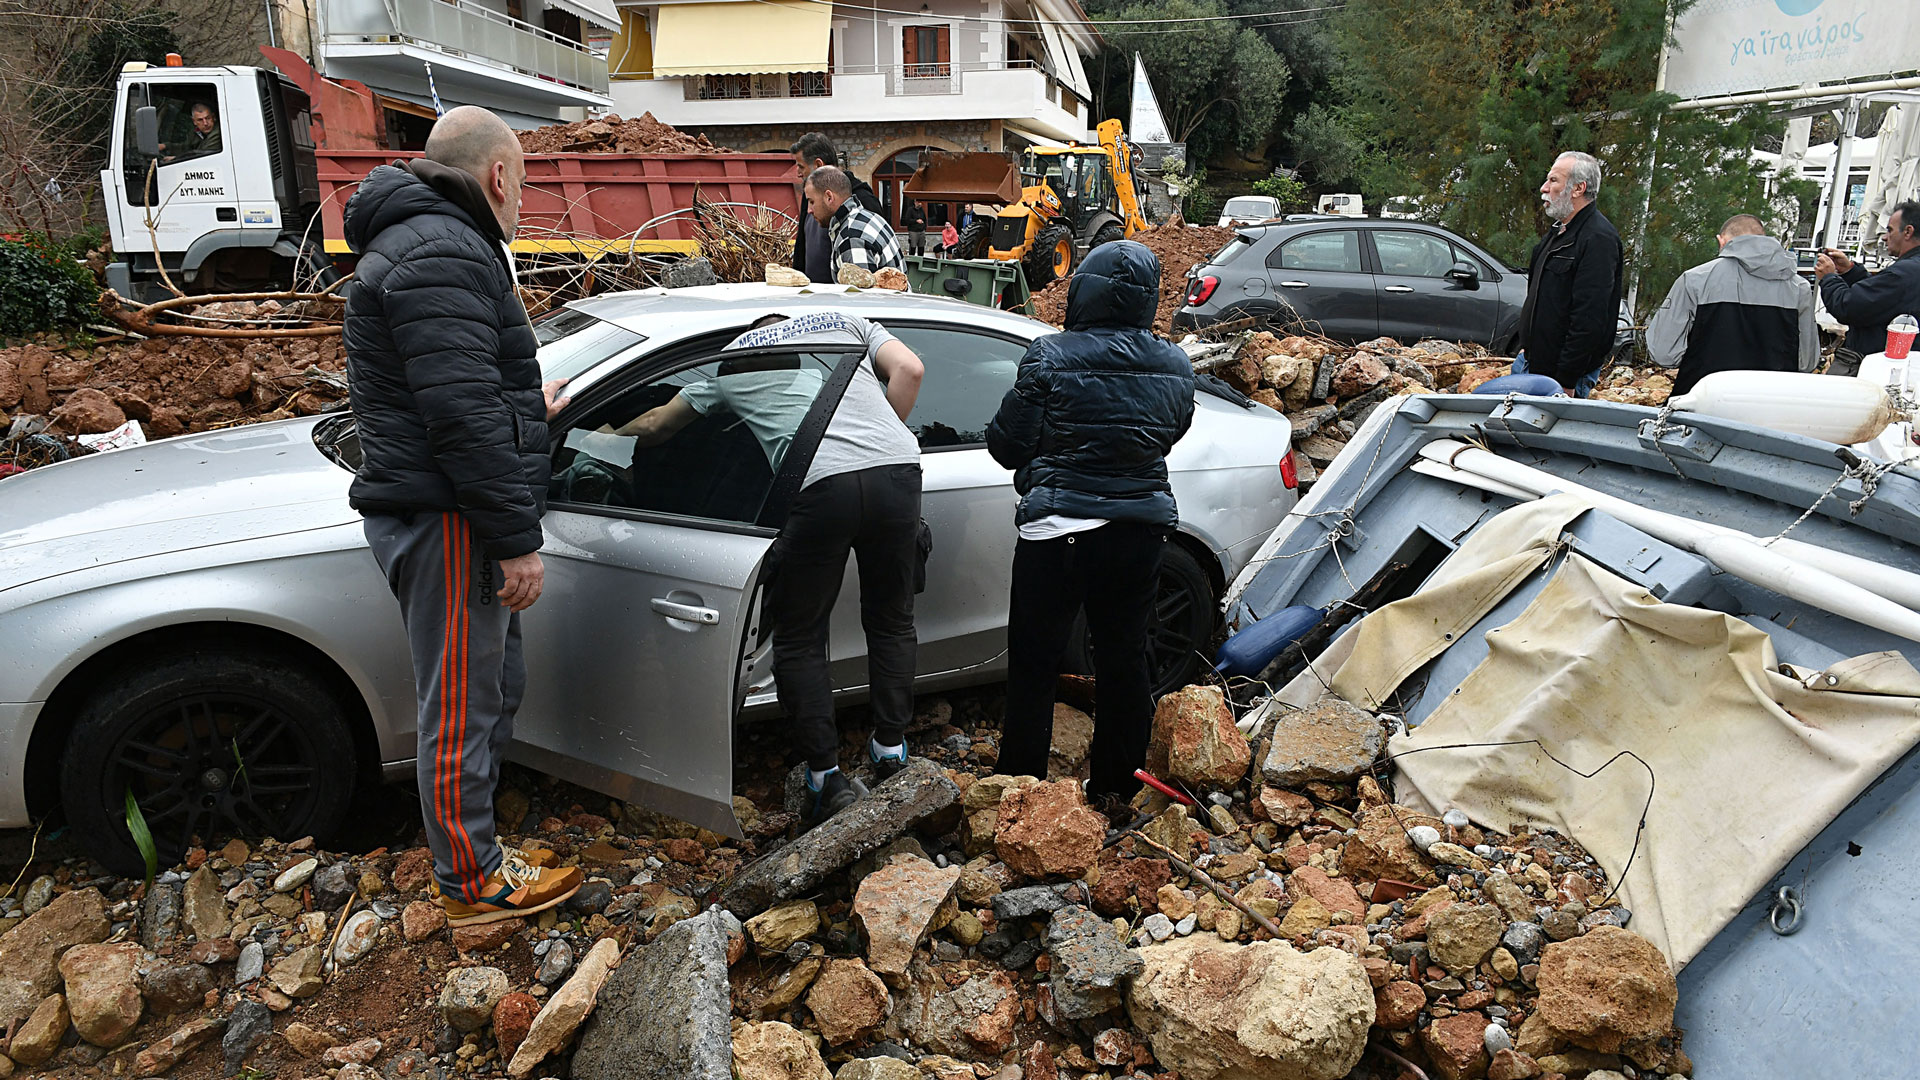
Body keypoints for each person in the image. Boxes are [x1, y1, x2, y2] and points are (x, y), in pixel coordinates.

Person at [342, 105, 581, 925]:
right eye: (524, 180)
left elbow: (458, 392)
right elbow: (459, 415)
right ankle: (473, 889)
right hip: (450, 517)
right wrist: (516, 540)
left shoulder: (423, 241)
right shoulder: (444, 249)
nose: (522, 197)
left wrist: (526, 409)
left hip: (447, 502)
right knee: (460, 706)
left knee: (487, 689)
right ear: (500, 175)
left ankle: (476, 853)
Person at [608, 311, 926, 827]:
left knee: (800, 635)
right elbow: (910, 371)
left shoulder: (732, 369)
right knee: (892, 618)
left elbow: (657, 425)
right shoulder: (845, 323)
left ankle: (826, 779)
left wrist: (596, 434)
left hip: (820, 488)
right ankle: (891, 750)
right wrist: (875, 442)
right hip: (898, 471)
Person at [985, 241, 1194, 816]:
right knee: (1126, 658)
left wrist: (1038, 464)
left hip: (1057, 532)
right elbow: (1167, 434)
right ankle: (1116, 788)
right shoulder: (1175, 364)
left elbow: (1005, 445)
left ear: (1085, 290)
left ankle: (1022, 787)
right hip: (1139, 532)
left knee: (1035, 660)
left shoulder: (1049, 356)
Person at [1645, 214, 1818, 395]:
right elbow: (1806, 362)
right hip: (1771, 403)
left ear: (1722, 242)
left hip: (1702, 401)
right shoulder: (1800, 288)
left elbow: (1664, 353)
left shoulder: (1695, 280)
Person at [1514, 151, 1624, 396]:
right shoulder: (1556, 235)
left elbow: (1590, 318)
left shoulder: (1598, 239)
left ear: (1578, 188)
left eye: (1553, 181)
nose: (1544, 188)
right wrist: (1525, 348)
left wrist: (1567, 380)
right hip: (1531, 365)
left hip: (1560, 378)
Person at [1817, 200, 1920, 376]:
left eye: (1890, 230)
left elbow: (1848, 307)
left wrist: (1829, 277)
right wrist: (1850, 271)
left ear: (1908, 232)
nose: (1884, 237)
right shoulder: (1908, 271)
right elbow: (1881, 300)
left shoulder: (1905, 273)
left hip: (1878, 371)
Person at [790, 133, 884, 283]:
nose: (798, 173)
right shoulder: (809, 197)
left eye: (801, 166)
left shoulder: (863, 200)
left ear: (818, 165)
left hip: (841, 299)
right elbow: (802, 247)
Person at [807, 165, 905, 274]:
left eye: (812, 202)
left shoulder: (852, 237)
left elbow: (861, 291)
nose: (809, 210)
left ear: (829, 197)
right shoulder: (867, 217)